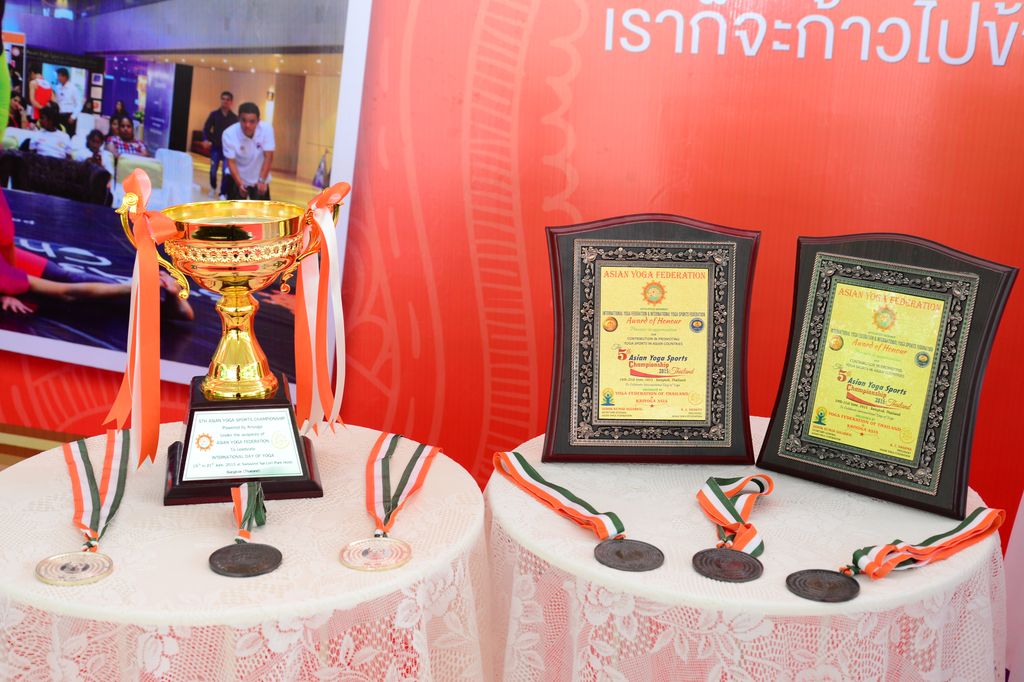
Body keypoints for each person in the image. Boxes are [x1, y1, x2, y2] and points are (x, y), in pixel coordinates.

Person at [222, 102, 275, 200]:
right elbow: (231, 162)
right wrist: (239, 183)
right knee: (235, 209)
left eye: (252, 121)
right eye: (243, 120)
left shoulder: (266, 129)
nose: (247, 125)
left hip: (260, 178)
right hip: (237, 177)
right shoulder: (228, 134)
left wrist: (262, 180)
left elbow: (268, 157)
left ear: (258, 121)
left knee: (262, 209)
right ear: (238, 119)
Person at [202, 91, 237, 199]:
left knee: (226, 172)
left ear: (231, 102)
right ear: (221, 100)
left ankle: (223, 192)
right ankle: (213, 188)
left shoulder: (234, 118)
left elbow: (237, 134)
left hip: (228, 149)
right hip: (215, 148)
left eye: (227, 99)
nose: (225, 101)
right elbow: (206, 129)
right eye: (223, 99)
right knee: (213, 170)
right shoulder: (214, 115)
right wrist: (206, 139)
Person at [53, 67, 82, 136]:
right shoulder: (58, 87)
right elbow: (57, 101)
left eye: (60, 76)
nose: (58, 78)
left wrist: (73, 116)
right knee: (58, 135)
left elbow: (79, 104)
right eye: (58, 76)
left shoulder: (73, 88)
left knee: (68, 135)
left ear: (65, 77)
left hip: (69, 116)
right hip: (59, 116)